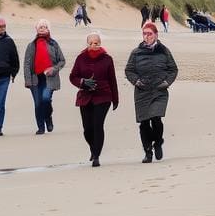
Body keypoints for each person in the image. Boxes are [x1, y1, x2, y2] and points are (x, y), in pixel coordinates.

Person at [125, 22, 178, 163]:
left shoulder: (164, 51)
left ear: (156, 35)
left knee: (156, 118)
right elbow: (129, 70)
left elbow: (173, 69)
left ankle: (158, 142)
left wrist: (166, 82)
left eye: (150, 33)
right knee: (143, 123)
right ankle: (148, 152)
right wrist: (136, 81)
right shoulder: (136, 52)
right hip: (142, 91)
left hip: (159, 90)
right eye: (144, 33)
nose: (147, 36)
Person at [68, 31, 119, 167]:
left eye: (96, 43)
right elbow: (73, 77)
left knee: (98, 125)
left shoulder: (107, 59)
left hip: (103, 96)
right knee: (87, 128)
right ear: (87, 44)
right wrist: (82, 82)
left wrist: (115, 99)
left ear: (100, 44)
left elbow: (112, 80)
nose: (93, 45)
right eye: (90, 43)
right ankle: (93, 148)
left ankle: (96, 155)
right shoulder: (81, 58)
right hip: (85, 97)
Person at [22, 19, 66, 135]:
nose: (42, 28)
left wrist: (53, 69)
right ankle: (41, 128)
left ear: (48, 29)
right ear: (36, 29)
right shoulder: (31, 45)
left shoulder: (53, 43)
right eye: (40, 27)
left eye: (45, 27)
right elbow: (26, 64)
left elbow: (62, 61)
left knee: (46, 99)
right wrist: (27, 80)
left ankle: (48, 117)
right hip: (35, 79)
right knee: (38, 103)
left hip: (50, 78)